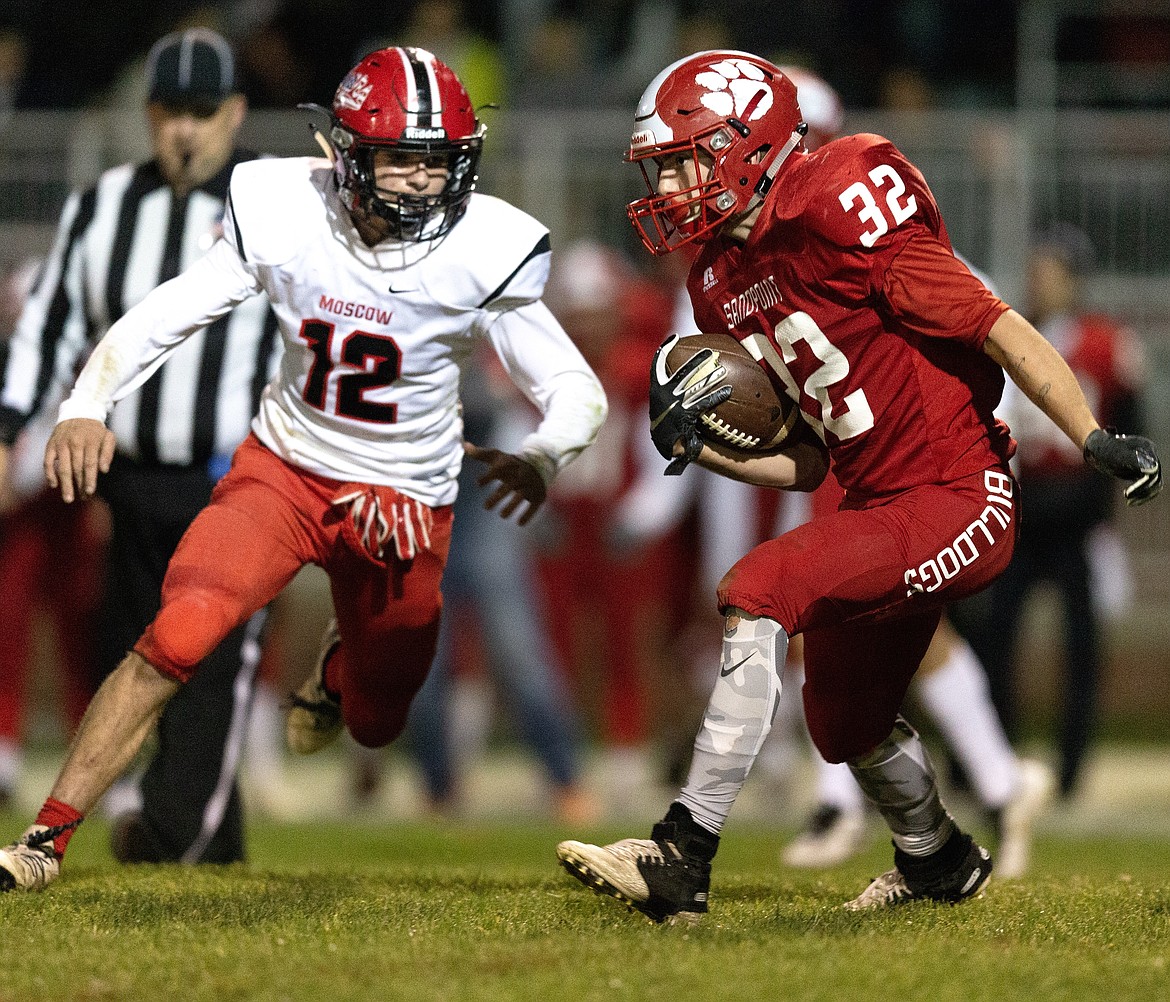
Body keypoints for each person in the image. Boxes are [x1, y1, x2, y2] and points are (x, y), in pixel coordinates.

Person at [555, 49, 1160, 924]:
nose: (672, 187)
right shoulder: (718, 278)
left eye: (685, 162)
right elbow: (810, 457)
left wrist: (1091, 435)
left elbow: (996, 326)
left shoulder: (842, 196)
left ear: (744, 144)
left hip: (960, 493)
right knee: (842, 719)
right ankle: (938, 861)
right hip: (879, 501)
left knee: (757, 587)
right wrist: (710, 447)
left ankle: (682, 854)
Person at [0, 45, 605, 892]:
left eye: (437, 163)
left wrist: (545, 453)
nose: (422, 182)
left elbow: (574, 387)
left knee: (374, 719)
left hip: (405, 503)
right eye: (400, 158)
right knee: (178, 631)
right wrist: (84, 403)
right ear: (345, 154)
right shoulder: (286, 206)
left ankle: (338, 671)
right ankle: (42, 841)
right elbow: (169, 311)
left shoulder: (485, 246)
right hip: (284, 470)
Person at [0, 28, 280, 865]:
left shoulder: (275, 208)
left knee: (208, 666)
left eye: (204, 112)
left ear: (234, 114)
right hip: (126, 484)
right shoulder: (103, 205)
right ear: (148, 115)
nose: (186, 132)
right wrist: (9, 426)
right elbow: (50, 325)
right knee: (132, 654)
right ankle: (204, 839)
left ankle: (167, 831)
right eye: (171, 113)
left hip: (233, 483)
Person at [973, 225, 1148, 798]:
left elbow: (1130, 421)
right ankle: (989, 761)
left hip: (1076, 513)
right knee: (994, 639)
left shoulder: (1104, 341)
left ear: (1074, 278)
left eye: (1050, 269)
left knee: (1081, 647)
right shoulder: (1012, 332)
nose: (1039, 279)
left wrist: (1107, 502)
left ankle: (1071, 769)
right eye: (1037, 268)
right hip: (1019, 511)